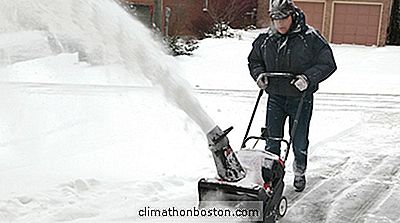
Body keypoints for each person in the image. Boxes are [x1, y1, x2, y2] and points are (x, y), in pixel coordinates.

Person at [247, 0, 336, 192]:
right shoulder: (265, 39)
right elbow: (254, 60)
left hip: (300, 98)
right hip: (275, 98)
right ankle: (271, 178)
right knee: (273, 140)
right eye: (275, 19)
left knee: (299, 139)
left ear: (292, 15)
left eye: (283, 18)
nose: (280, 24)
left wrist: (307, 78)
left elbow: (328, 63)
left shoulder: (310, 37)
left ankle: (299, 171)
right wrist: (259, 74)